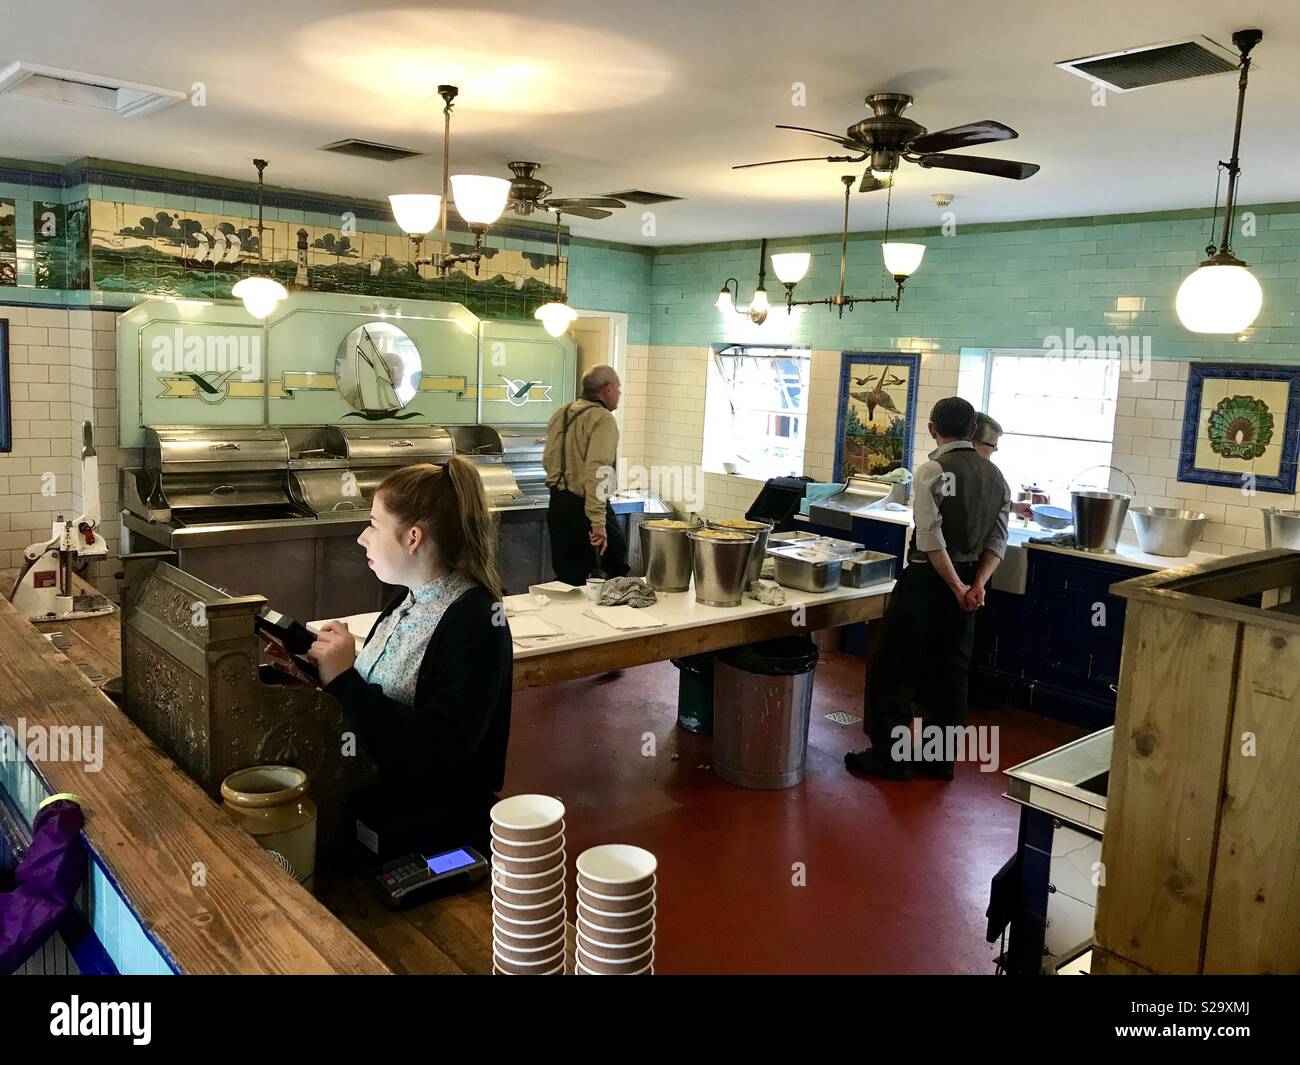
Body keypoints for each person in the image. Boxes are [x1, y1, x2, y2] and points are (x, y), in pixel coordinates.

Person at [305, 457, 512, 861]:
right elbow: (376, 697)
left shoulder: (476, 623)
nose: (362, 538)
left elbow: (435, 753)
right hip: (371, 802)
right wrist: (311, 668)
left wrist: (344, 679)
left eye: (374, 524)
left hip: (429, 831)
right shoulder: (406, 597)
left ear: (413, 537)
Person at [845, 397, 1011, 782]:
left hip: (928, 579)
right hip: (971, 582)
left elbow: (931, 539)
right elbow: (998, 539)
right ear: (973, 432)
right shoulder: (996, 477)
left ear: (933, 428)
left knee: (896, 665)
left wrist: (954, 585)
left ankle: (890, 756)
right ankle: (938, 759)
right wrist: (976, 586)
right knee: (951, 672)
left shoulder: (931, 470)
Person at [542, 364, 630, 585]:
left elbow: (547, 460)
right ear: (607, 389)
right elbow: (598, 471)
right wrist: (598, 522)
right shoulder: (602, 419)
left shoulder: (560, 414)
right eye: (618, 388)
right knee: (615, 571)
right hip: (584, 508)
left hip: (558, 506)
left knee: (567, 579)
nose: (619, 393)